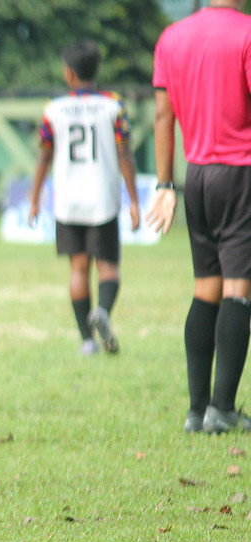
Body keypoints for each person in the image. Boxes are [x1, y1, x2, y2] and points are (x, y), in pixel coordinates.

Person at [146, 0, 251, 434]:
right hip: (241, 171)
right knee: (237, 287)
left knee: (205, 286)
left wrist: (166, 185)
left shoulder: (172, 37)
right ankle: (223, 409)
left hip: (197, 177)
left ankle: (196, 410)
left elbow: (162, 115)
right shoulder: (246, 34)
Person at [29, 40, 140, 357]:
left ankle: (86, 341)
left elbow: (43, 156)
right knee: (108, 269)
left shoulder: (54, 107)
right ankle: (102, 311)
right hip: (102, 198)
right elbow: (125, 153)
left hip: (67, 199)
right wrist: (134, 200)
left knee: (78, 269)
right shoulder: (113, 105)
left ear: (68, 72)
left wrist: (35, 199)